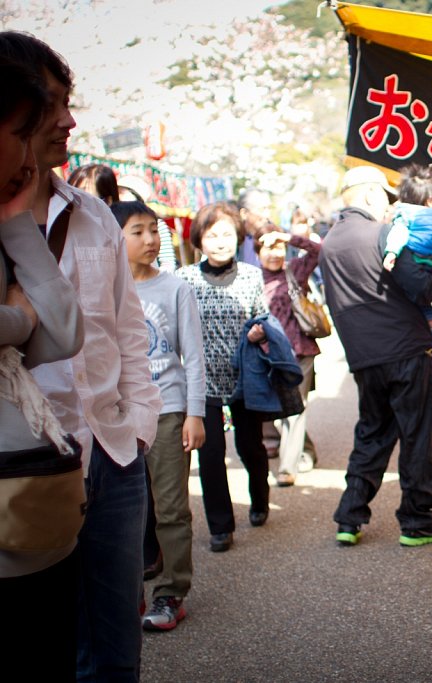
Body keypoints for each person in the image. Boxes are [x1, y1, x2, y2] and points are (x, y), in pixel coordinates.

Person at [1, 31, 163, 681]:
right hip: (25, 466)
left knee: (118, 640)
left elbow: (126, 334)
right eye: (51, 103)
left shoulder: (96, 217)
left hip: (114, 452)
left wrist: (143, 424)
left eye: (70, 103)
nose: (68, 120)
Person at [0, 53, 85, 680]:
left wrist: (14, 221)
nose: (46, 138)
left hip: (29, 504)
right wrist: (17, 323)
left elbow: (65, 332)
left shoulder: (11, 220)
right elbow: (39, 326)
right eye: (26, 126)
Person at [319, 165, 432, 547]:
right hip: (406, 348)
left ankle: (350, 516)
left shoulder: (329, 243)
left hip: (362, 356)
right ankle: (417, 520)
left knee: (372, 433)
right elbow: (421, 286)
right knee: (419, 432)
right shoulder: (381, 233)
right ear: (372, 195)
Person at [111, 200, 205, 631]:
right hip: (114, 415)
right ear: (115, 238)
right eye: (138, 231)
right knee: (120, 511)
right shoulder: (101, 288)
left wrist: (195, 413)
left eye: (155, 230)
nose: (150, 239)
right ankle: (123, 595)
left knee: (170, 509)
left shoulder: (175, 287)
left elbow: (194, 356)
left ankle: (170, 593)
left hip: (167, 410)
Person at [176, 201, 271, 552]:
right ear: (199, 241)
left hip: (245, 378)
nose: (220, 241)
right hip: (203, 383)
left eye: (227, 234)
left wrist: (259, 332)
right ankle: (220, 526)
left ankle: (260, 499)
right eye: (212, 235)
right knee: (210, 454)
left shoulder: (251, 275)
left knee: (251, 448)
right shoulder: (183, 280)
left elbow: (263, 317)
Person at [254, 225, 321, 487]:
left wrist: (288, 237)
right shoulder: (251, 278)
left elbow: (318, 251)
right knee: (282, 408)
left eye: (278, 247)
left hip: (300, 351)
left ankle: (287, 466)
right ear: (257, 252)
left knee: (295, 410)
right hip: (269, 354)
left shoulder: (294, 270)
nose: (274, 253)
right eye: (268, 248)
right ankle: (307, 451)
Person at [382, 164, 432, 323]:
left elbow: (399, 233)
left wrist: (392, 252)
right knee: (427, 291)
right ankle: (429, 314)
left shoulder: (405, 214)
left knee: (412, 294)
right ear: (430, 200)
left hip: (414, 260)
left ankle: (427, 313)